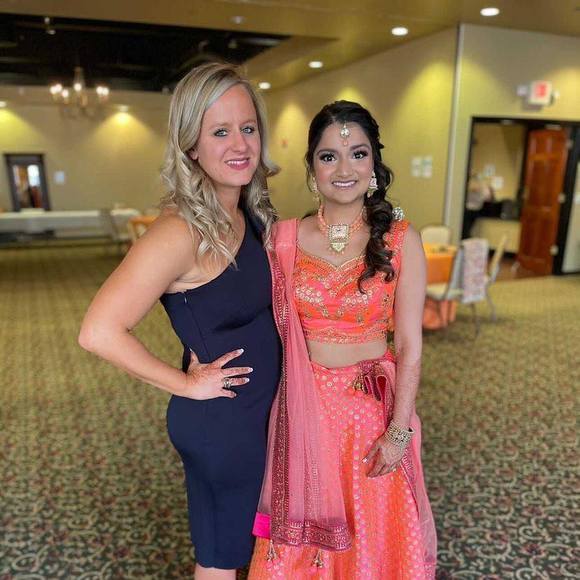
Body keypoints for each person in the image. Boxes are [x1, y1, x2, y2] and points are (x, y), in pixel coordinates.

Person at [78, 62, 282, 579]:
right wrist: (185, 385)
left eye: (248, 127)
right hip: (223, 423)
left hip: (259, 415)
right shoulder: (178, 231)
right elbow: (98, 331)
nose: (240, 144)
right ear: (191, 145)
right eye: (220, 132)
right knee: (219, 560)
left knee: (253, 549)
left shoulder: (245, 211)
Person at [248, 101, 437, 578]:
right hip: (302, 410)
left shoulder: (400, 240)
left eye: (358, 153)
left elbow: (409, 346)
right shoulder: (283, 239)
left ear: (374, 163)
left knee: (371, 538)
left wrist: (399, 432)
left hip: (369, 416)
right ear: (312, 167)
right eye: (329, 156)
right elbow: (252, 320)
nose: (344, 169)